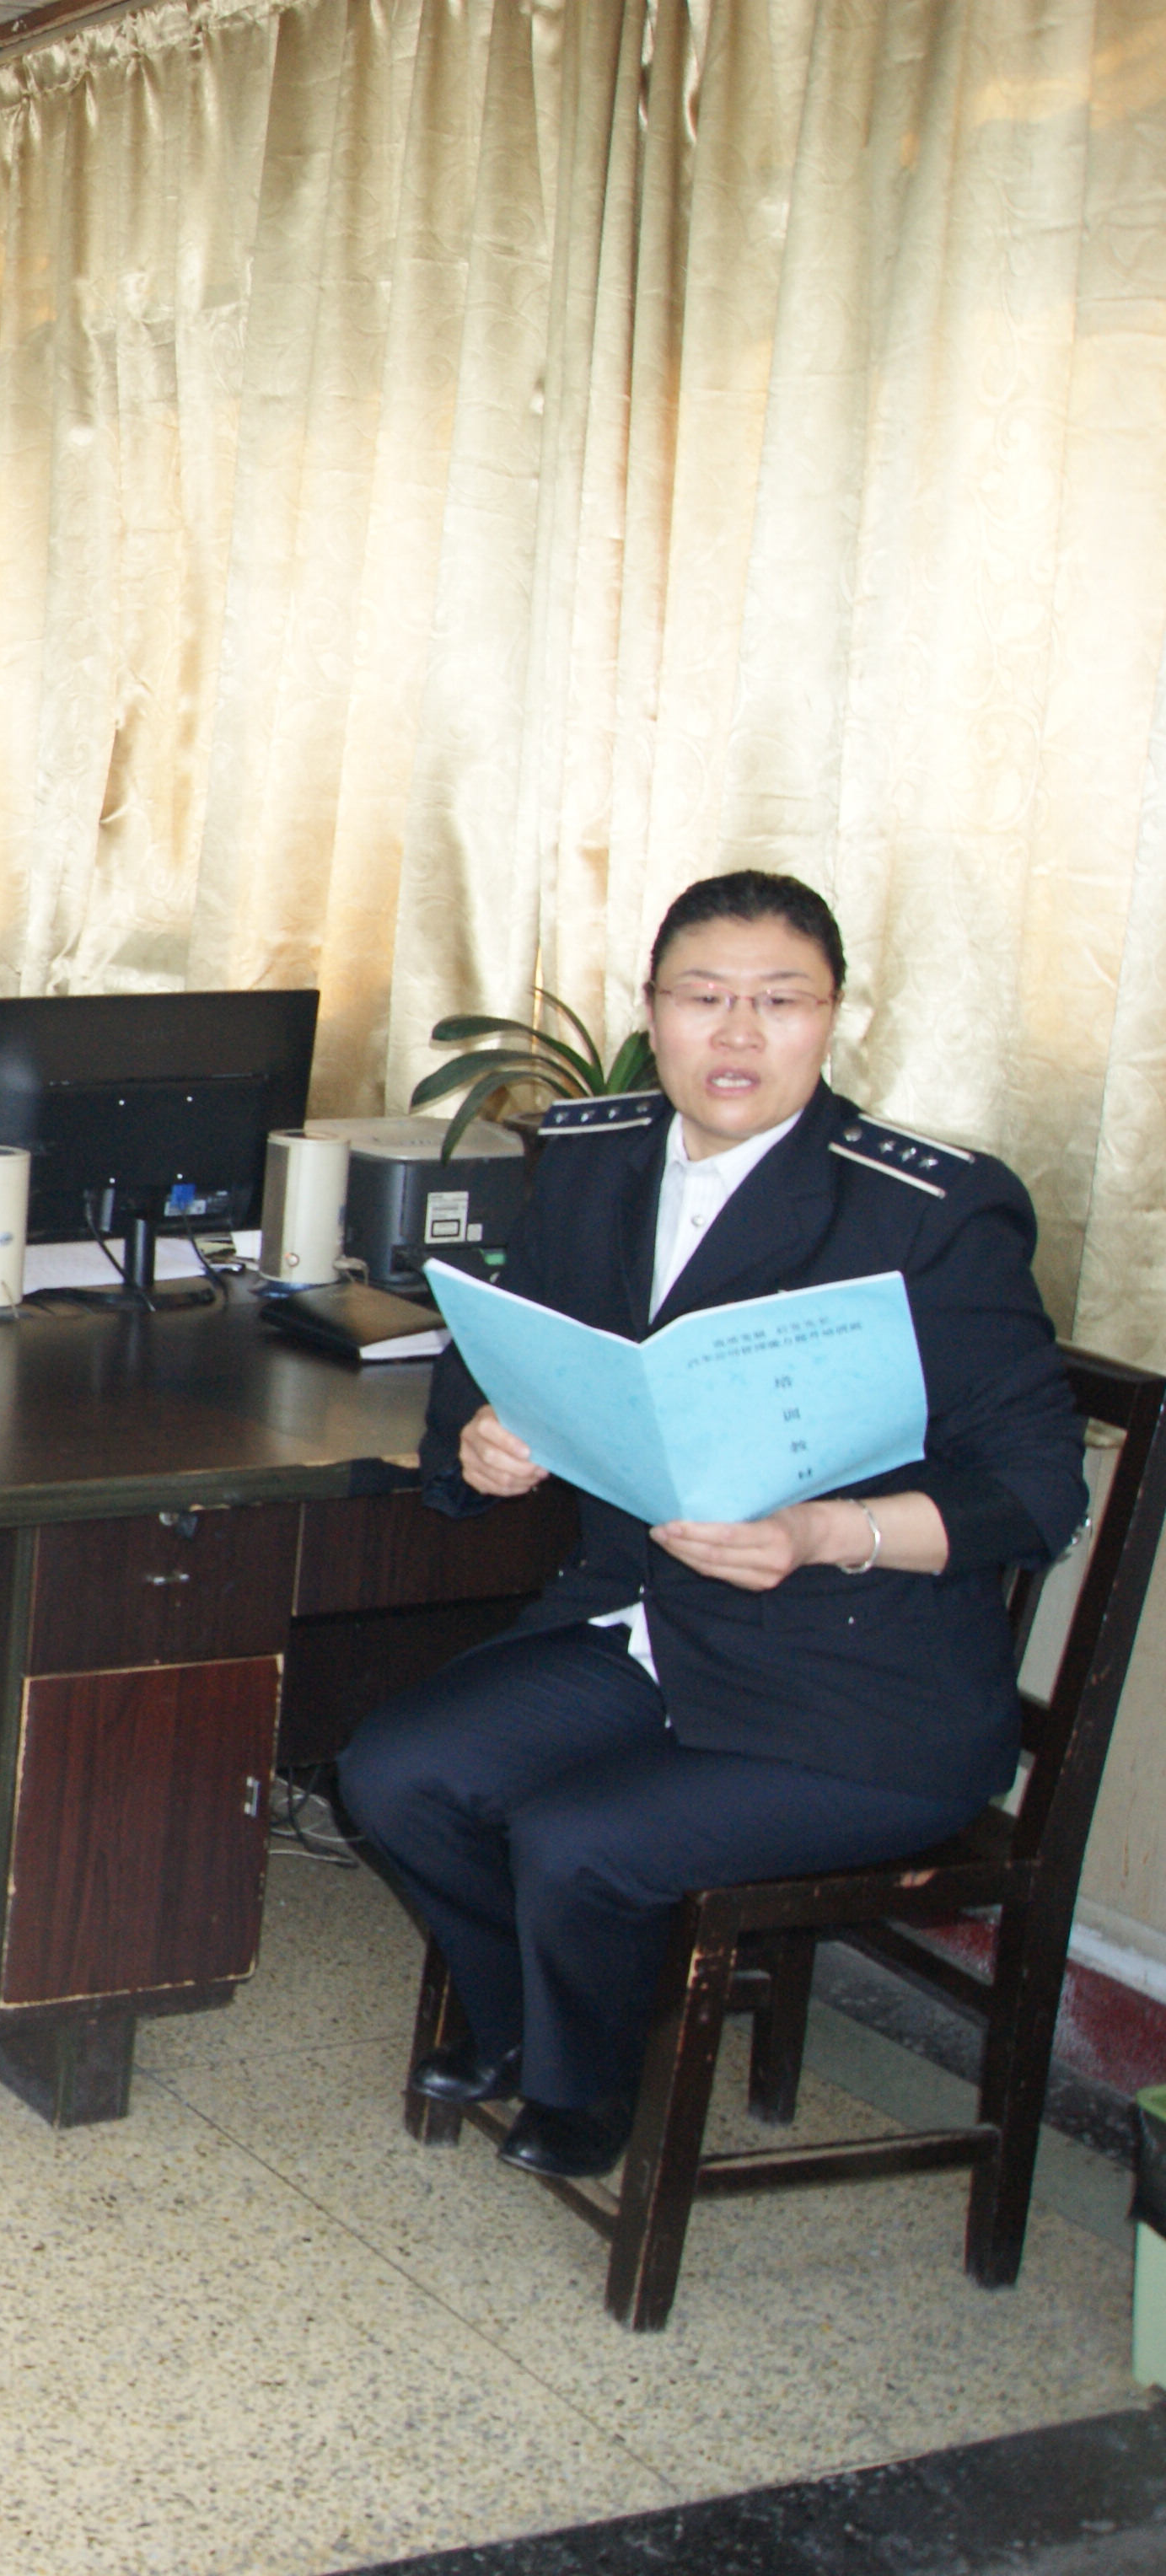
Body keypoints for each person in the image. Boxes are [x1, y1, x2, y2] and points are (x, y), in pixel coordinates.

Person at [335, 872, 1091, 2182]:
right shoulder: (597, 1156)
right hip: (647, 1626)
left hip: (860, 1682)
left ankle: (585, 2087)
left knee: (578, 1842)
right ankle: (521, 2025)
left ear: (836, 1018)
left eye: (780, 1002)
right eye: (705, 998)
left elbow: (1036, 1491)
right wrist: (483, 1435)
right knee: (394, 1775)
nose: (738, 1034)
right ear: (653, 1010)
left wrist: (827, 1531)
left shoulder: (924, 1209)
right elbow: (495, 1352)